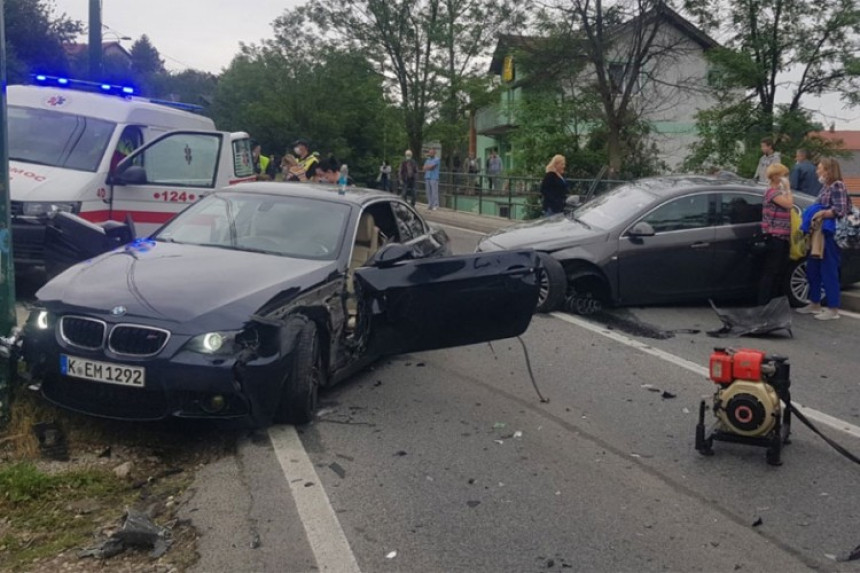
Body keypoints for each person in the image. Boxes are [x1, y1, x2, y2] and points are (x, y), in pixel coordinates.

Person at [797, 157, 850, 320]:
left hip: (829, 234)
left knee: (829, 270)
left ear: (828, 170)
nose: (817, 171)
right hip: (818, 233)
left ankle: (833, 308)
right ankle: (815, 303)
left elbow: (841, 209)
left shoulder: (837, 185)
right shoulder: (825, 187)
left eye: (819, 168)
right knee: (813, 268)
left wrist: (822, 213)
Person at [756, 163, 793, 305]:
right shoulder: (772, 192)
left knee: (779, 269)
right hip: (775, 235)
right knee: (771, 270)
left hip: (782, 235)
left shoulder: (777, 191)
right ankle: (764, 301)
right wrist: (788, 188)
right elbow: (789, 204)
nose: (786, 178)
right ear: (776, 176)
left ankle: (773, 300)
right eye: (784, 175)